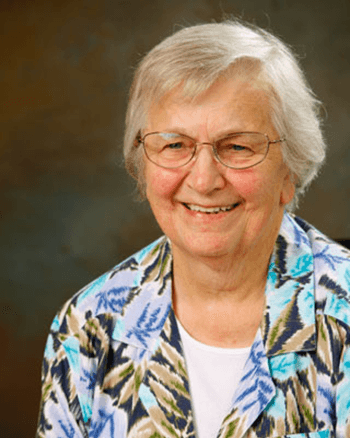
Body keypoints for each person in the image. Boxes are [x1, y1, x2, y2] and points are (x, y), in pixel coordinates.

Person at [36, 19, 350, 438]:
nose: (203, 180)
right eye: (174, 145)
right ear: (143, 165)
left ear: (290, 168)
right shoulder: (89, 326)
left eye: (237, 146)